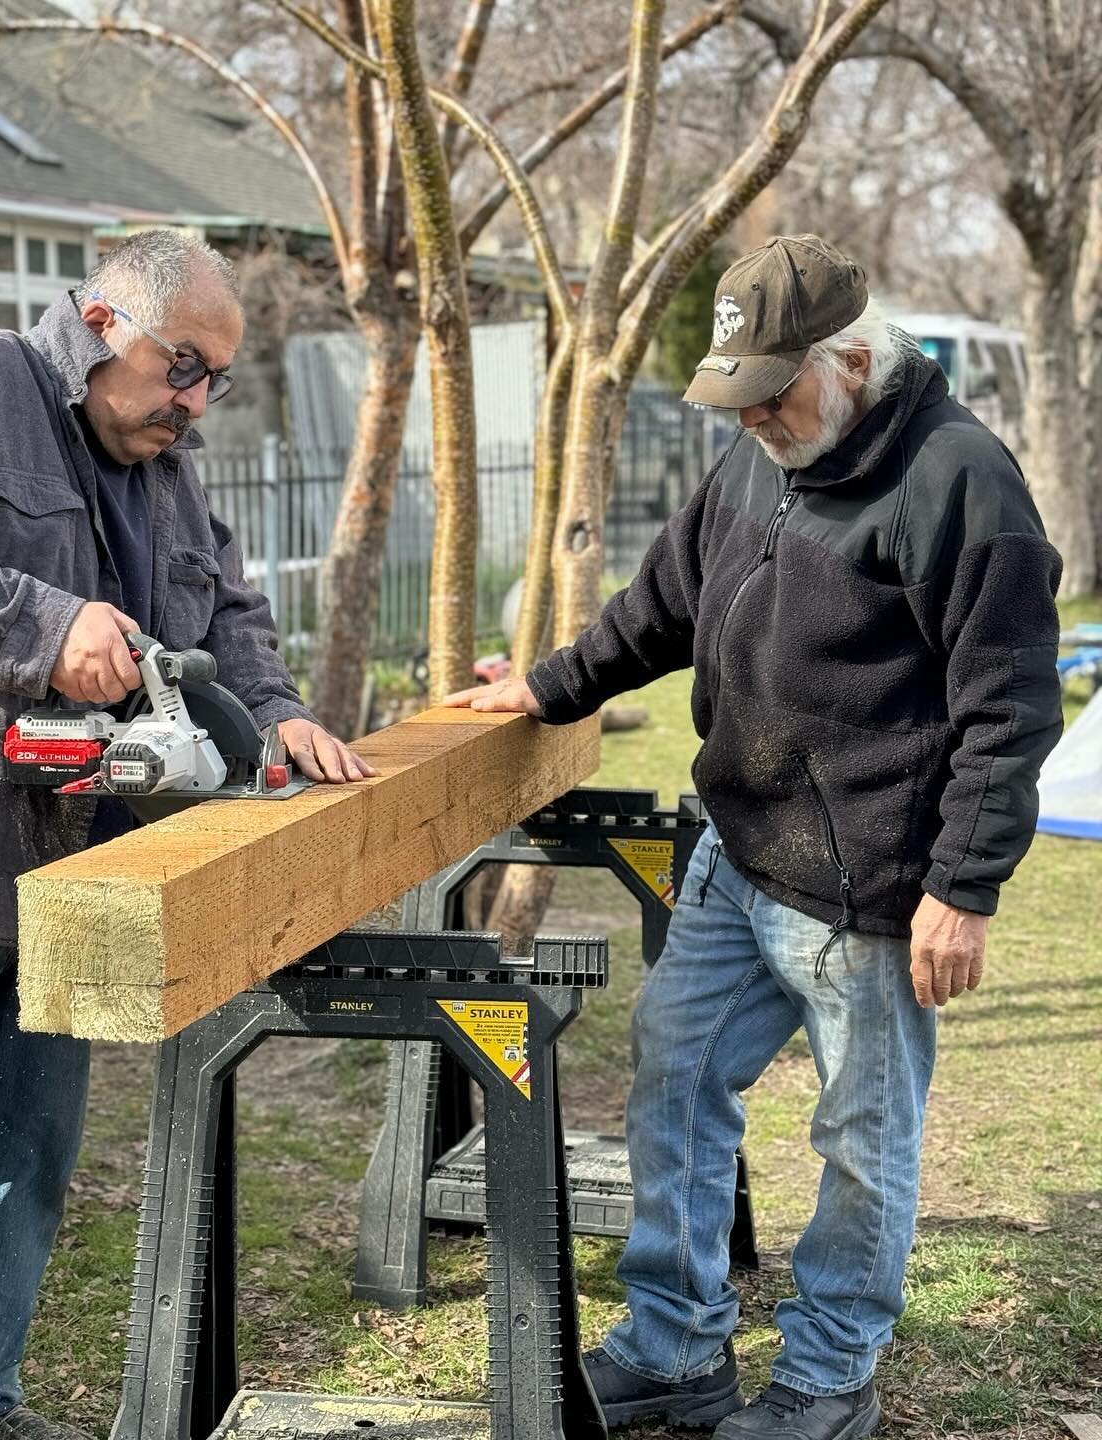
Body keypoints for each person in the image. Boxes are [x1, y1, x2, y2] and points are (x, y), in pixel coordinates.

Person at [0, 230, 373, 1440]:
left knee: (14, 1176)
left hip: (69, 873)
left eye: (216, 382)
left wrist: (283, 714)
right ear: (100, 324)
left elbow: (227, 616)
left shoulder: (166, 470)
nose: (194, 402)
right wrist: (44, 625)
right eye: (181, 366)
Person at [448, 235, 1062, 1440]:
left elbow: (1011, 709)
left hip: (876, 882)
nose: (758, 417)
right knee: (673, 1072)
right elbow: (666, 601)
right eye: (739, 394)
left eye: (774, 392)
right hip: (743, 848)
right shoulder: (762, 453)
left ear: (849, 359)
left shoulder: (959, 482)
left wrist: (965, 887)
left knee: (859, 1137)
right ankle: (675, 1349)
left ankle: (833, 1372)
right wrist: (549, 687)